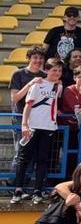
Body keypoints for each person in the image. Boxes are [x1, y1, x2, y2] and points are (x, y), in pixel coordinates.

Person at [11, 58, 63, 204]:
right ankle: (18, 190)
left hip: (49, 127)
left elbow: (55, 101)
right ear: (46, 70)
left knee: (42, 160)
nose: (57, 73)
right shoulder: (37, 84)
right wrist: (24, 125)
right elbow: (28, 106)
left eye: (59, 70)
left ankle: (37, 191)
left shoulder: (58, 86)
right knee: (23, 158)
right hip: (32, 126)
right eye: (54, 70)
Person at [9, 46, 46, 180]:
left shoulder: (45, 75)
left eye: (40, 58)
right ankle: (12, 182)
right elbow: (15, 98)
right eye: (35, 57)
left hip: (38, 117)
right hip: (20, 116)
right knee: (21, 149)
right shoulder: (18, 74)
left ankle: (25, 182)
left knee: (34, 152)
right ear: (28, 58)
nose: (38, 60)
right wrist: (31, 84)